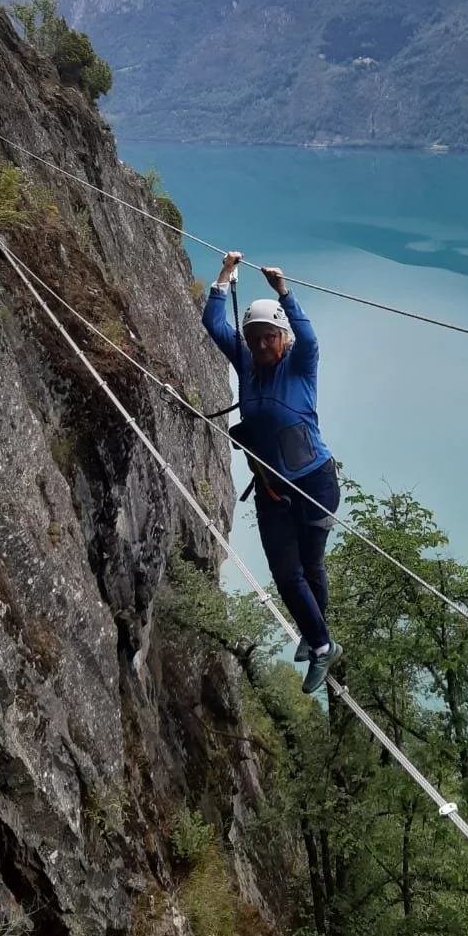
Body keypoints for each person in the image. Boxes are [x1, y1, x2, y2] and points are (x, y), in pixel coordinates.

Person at [202, 251, 342, 695]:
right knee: (288, 572)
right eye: (255, 338)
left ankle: (320, 644)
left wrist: (284, 291)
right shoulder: (247, 365)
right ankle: (318, 637)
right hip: (272, 490)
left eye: (270, 338)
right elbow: (213, 324)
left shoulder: (299, 366)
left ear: (282, 337)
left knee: (309, 567)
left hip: (315, 482)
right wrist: (225, 275)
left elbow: (310, 339)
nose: (262, 346)